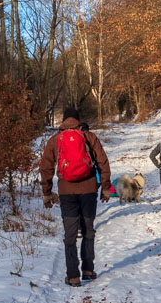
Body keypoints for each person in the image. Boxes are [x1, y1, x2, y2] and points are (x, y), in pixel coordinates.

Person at [39, 109, 111, 286]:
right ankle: (88, 270)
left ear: (63, 121)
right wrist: (106, 188)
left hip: (66, 192)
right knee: (88, 230)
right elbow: (102, 162)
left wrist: (47, 193)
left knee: (70, 234)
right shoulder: (89, 137)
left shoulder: (55, 140)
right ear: (78, 120)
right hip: (88, 190)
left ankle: (73, 276)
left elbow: (46, 168)